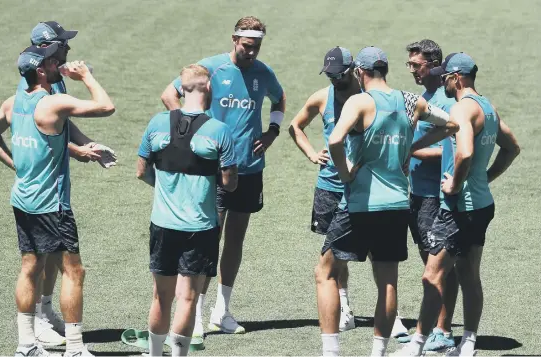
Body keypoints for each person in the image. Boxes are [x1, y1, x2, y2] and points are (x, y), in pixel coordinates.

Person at [317, 46, 458, 356]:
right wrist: (411, 146)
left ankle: (331, 352)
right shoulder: (410, 101)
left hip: (360, 205)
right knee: (387, 283)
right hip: (396, 204)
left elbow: (336, 139)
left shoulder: (359, 101)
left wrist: (345, 173)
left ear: (359, 72)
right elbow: (450, 125)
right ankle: (378, 352)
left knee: (325, 272)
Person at [0, 44, 115, 357]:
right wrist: (85, 77)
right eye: (53, 62)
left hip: (23, 199)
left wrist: (18, 167)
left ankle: (26, 346)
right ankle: (75, 349)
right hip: (51, 205)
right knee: (74, 272)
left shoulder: (12, 104)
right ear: (41, 71)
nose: (59, 64)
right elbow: (106, 106)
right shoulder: (52, 104)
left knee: (30, 267)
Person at [160, 16, 285, 338]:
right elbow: (169, 94)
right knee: (206, 240)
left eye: (256, 47)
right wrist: (186, 133)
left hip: (250, 168)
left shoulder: (262, 72)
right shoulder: (211, 68)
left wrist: (272, 130)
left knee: (235, 239)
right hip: (212, 170)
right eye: (246, 46)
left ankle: (222, 311)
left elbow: (279, 98)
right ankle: (196, 314)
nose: (251, 52)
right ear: (234, 39)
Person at [398, 53, 520, 357]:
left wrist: (455, 184)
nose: (441, 82)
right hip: (481, 205)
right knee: (469, 275)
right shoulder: (486, 107)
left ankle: (417, 345)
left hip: (458, 208)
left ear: (458, 78)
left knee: (432, 275)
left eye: (445, 77)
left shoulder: (463, 107)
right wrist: (414, 147)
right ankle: (467, 345)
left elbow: (463, 152)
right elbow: (511, 147)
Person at [17, 20, 117, 348]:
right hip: (49, 195)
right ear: (49, 49)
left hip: (35, 194)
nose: (68, 49)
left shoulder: (51, 81)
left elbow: (61, 120)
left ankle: (40, 324)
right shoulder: (38, 87)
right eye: (63, 44)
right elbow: (99, 107)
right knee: (66, 267)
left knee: (41, 261)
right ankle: (60, 336)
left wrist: (84, 146)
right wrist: (87, 77)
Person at [137, 64, 238, 356]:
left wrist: (166, 189)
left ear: (181, 89)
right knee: (188, 298)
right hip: (200, 226)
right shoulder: (219, 131)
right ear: (208, 88)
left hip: (163, 224)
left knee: (160, 296)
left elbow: (141, 170)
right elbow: (229, 184)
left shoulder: (157, 122)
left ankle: (156, 353)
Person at [289, 46, 359, 332]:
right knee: (335, 250)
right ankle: (343, 306)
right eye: (329, 75)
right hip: (329, 186)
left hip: (358, 186)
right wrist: (310, 154)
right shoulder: (322, 97)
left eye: (338, 75)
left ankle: (344, 307)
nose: (333, 80)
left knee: (338, 251)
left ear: (353, 69)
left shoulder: (367, 97)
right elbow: (295, 126)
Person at [398, 39, 459, 351]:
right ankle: (435, 325)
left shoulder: (448, 103)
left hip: (435, 196)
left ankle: (443, 330)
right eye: (410, 65)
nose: (412, 70)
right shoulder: (425, 97)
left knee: (439, 266)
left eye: (416, 65)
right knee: (430, 263)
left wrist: (415, 151)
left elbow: (454, 149)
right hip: (418, 193)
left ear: (434, 65)